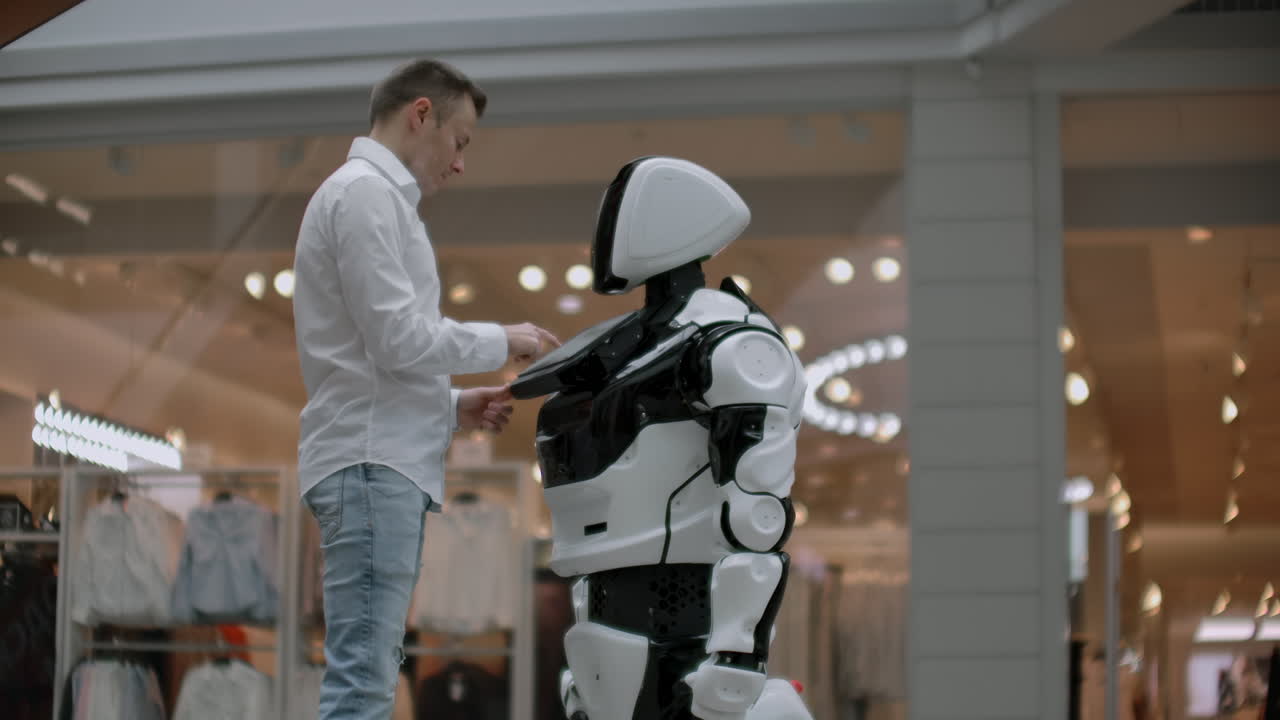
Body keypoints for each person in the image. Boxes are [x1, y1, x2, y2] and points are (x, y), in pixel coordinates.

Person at [291, 58, 560, 720]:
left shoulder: (371, 200)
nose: (460, 163)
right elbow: (397, 338)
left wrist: (450, 405)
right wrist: (503, 338)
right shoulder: (364, 197)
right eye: (459, 141)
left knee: (366, 674)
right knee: (363, 681)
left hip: (374, 459)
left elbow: (372, 357)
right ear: (421, 115)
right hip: (370, 465)